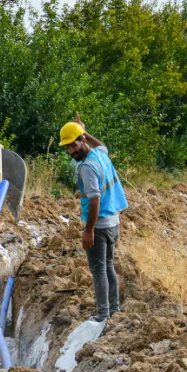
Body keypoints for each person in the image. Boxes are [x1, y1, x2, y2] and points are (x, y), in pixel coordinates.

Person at [59, 121, 128, 322]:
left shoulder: (87, 167)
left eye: (74, 145)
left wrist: (88, 230)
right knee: (108, 266)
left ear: (82, 141)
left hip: (99, 226)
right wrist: (86, 132)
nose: (71, 151)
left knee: (99, 269)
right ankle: (114, 310)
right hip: (113, 222)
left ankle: (104, 314)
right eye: (68, 147)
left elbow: (95, 198)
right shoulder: (99, 154)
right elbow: (102, 145)